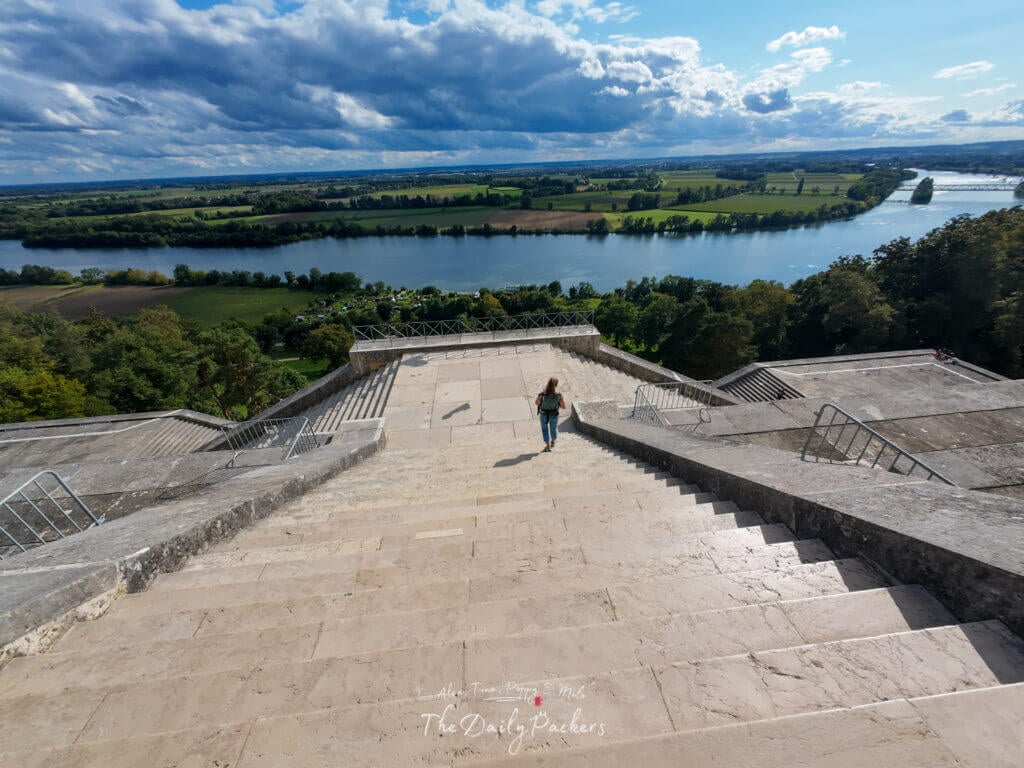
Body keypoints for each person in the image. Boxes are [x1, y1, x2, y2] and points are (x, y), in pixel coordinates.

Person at [534, 377, 566, 452]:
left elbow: (536, 403)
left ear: (548, 384)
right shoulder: (558, 395)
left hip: (544, 414)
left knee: (544, 430)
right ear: (556, 385)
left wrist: (540, 398)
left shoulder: (542, 394)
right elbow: (563, 407)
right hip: (554, 415)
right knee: (553, 429)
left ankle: (548, 446)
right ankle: (553, 442)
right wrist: (561, 399)